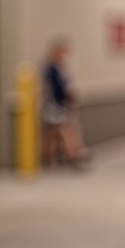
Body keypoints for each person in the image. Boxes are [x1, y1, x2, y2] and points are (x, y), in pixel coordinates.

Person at [41, 37, 89, 166]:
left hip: (59, 104)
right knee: (67, 129)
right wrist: (66, 97)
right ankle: (73, 155)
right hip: (55, 105)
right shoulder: (51, 70)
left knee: (52, 134)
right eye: (62, 53)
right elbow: (56, 89)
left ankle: (50, 158)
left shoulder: (59, 69)